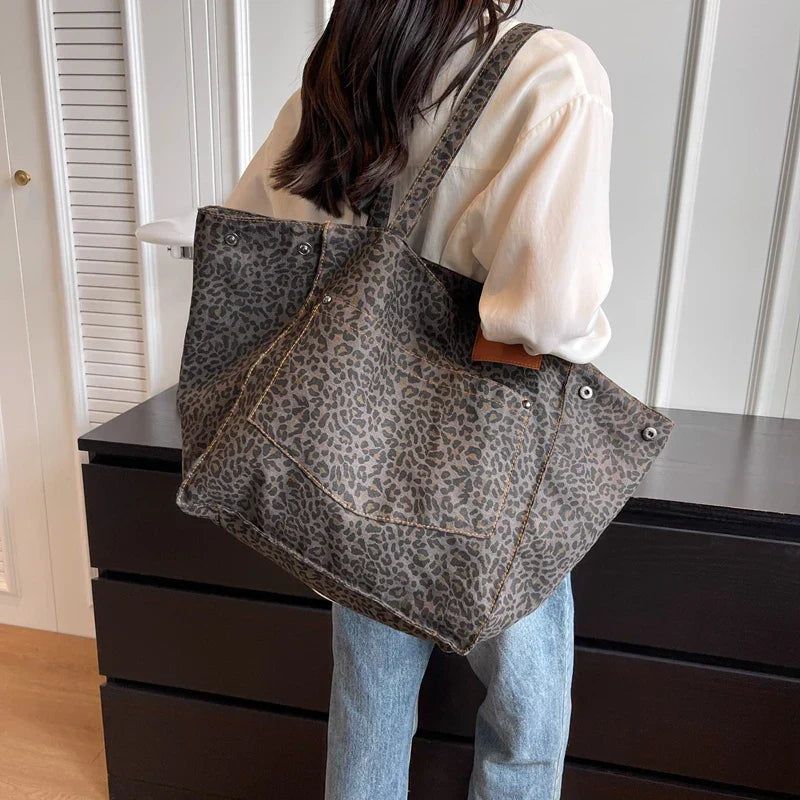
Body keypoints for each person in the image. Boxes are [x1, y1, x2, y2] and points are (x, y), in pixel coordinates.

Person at [225, 2, 614, 798]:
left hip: (355, 447)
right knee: (527, 711)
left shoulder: (346, 68)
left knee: (368, 704)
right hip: (493, 447)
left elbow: (256, 233)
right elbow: (543, 316)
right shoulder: (553, 72)